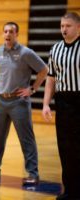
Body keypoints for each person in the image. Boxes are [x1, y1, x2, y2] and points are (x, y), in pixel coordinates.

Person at [0, 21, 48, 186]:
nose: (8, 34)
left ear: (17, 34)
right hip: (1, 101)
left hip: (19, 102)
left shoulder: (26, 53)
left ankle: (33, 173)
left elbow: (44, 70)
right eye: (5, 31)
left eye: (11, 31)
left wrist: (32, 89)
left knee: (26, 139)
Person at [42, 12, 80, 200]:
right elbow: (51, 79)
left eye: (68, 26)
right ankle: (69, 192)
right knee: (65, 149)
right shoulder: (55, 49)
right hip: (63, 103)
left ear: (78, 27)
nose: (64, 29)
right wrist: (46, 104)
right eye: (62, 26)